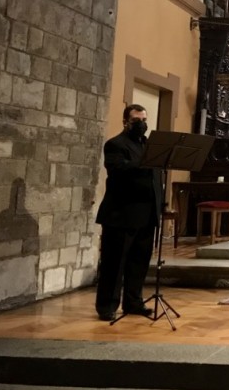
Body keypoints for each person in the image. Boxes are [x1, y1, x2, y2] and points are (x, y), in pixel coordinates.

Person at [95, 105, 162, 321]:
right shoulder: (115, 144)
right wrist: (146, 162)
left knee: (139, 262)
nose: (141, 124)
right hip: (121, 214)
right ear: (126, 121)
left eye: (144, 119)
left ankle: (133, 302)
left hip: (146, 213)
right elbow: (118, 171)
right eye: (136, 120)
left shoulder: (150, 146)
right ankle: (107, 306)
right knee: (114, 264)